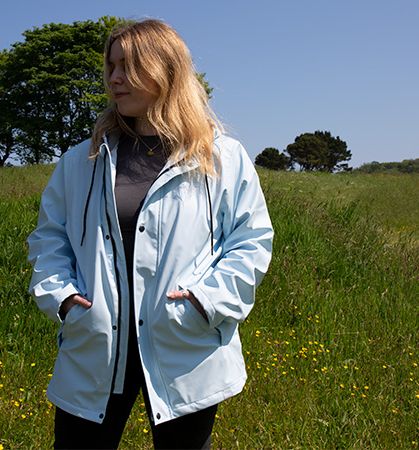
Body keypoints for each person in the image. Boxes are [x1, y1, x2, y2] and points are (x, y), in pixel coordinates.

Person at [27, 18, 273, 449]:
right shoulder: (81, 161)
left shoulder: (221, 157)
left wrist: (205, 302)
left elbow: (250, 241)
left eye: (128, 66)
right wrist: (63, 299)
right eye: (111, 66)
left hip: (184, 346)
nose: (114, 78)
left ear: (166, 70)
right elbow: (50, 238)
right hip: (96, 346)